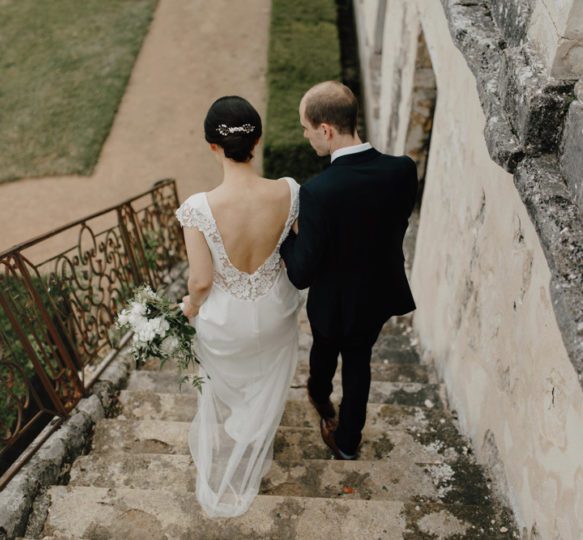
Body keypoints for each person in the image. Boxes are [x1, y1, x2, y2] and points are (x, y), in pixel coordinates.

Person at [176, 96, 302, 517]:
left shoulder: (198, 208)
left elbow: (201, 280)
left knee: (236, 370)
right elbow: (300, 251)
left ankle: (245, 422)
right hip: (276, 312)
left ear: (211, 145)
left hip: (225, 322)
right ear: (259, 140)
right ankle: (255, 425)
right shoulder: (289, 191)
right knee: (265, 369)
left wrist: (191, 306)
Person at [279, 81, 417, 460]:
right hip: (378, 293)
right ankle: (347, 441)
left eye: (307, 129)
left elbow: (301, 273)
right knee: (359, 360)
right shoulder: (403, 170)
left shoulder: (318, 192)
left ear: (326, 129)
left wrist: (286, 238)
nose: (307, 137)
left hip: (334, 301)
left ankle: (319, 394)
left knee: (325, 345)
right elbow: (395, 222)